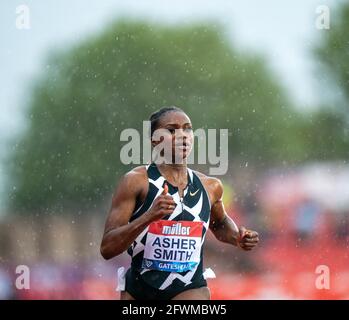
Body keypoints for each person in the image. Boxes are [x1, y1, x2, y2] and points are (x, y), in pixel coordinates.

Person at [100, 106, 259, 300]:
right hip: (140, 289)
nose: (182, 135)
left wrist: (238, 237)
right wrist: (149, 216)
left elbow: (220, 224)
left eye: (187, 128)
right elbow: (107, 248)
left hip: (189, 287)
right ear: (155, 141)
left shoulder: (210, 187)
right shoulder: (136, 182)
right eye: (172, 130)